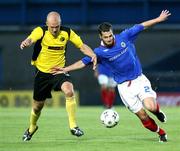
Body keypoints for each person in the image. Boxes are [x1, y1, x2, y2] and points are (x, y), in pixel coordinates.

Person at [51, 10, 171, 142]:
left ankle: (158, 112)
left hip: (139, 79)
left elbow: (142, 25)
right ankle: (161, 133)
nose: (109, 39)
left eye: (110, 35)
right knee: (142, 116)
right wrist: (66, 69)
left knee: (151, 107)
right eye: (106, 37)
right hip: (124, 88)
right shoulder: (99, 52)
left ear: (113, 33)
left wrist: (158, 19)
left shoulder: (125, 36)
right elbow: (83, 62)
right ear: (100, 37)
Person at [20, 11, 97, 141]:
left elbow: (82, 46)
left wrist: (93, 54)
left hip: (59, 71)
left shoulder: (67, 32)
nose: (55, 30)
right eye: (52, 27)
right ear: (47, 24)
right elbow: (31, 38)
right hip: (42, 73)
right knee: (37, 106)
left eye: (57, 26)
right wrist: (27, 42)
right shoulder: (41, 31)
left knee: (69, 90)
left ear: (60, 24)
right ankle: (32, 127)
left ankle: (73, 126)